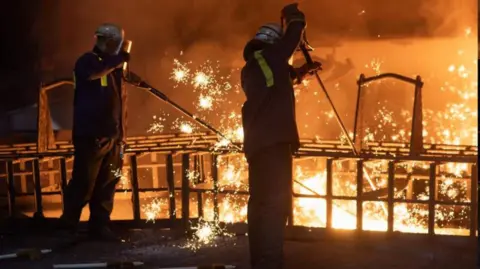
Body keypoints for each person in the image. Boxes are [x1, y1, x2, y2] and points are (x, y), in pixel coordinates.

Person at [240, 3, 321, 269]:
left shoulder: (256, 65)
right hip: (272, 143)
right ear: (273, 43)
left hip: (262, 143)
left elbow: (275, 83)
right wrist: (294, 17)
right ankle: (271, 261)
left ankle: (261, 260)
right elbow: (293, 36)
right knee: (274, 204)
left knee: (262, 203)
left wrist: (299, 74)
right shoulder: (270, 57)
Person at [59, 23, 140, 241]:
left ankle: (99, 226)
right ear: (106, 41)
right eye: (117, 42)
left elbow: (118, 102)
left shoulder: (115, 69)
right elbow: (94, 73)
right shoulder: (87, 62)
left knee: (107, 183)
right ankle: (68, 225)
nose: (119, 47)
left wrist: (122, 136)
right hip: (92, 136)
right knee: (84, 183)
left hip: (114, 136)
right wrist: (119, 60)